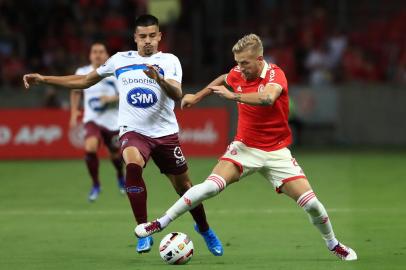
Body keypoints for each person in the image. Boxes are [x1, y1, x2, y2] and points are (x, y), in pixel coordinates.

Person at [134, 34, 358, 261]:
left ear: (260, 59)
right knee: (210, 187)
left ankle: (333, 244)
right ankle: (159, 223)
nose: (239, 68)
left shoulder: (275, 74)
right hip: (245, 148)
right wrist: (197, 96)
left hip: (276, 152)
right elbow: (224, 77)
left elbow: (268, 98)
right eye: (238, 62)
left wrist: (234, 96)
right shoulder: (238, 72)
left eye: (244, 63)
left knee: (312, 205)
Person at [23, 14, 223, 256]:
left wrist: (158, 79)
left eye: (152, 36)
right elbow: (85, 80)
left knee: (185, 187)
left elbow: (177, 93)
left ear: (159, 37)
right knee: (132, 164)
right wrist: (45, 79)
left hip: (165, 134)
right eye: (143, 37)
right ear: (135, 38)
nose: (147, 41)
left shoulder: (169, 60)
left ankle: (204, 228)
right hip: (133, 131)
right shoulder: (119, 60)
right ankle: (142, 229)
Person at [70, 42, 125, 202]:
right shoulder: (82, 72)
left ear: (107, 55)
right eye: (94, 51)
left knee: (115, 155)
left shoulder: (115, 73)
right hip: (92, 119)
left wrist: (111, 99)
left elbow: (126, 94)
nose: (98, 54)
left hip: (113, 121)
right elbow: (75, 91)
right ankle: (96, 184)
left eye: (101, 51)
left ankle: (120, 176)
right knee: (90, 148)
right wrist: (74, 112)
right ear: (90, 55)